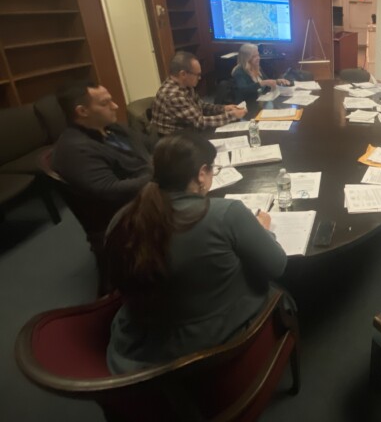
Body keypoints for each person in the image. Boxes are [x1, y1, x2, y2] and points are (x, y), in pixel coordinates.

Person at [105, 132, 288, 373]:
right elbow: (277, 266)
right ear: (202, 173)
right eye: (213, 169)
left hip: (136, 349)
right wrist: (263, 230)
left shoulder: (121, 219)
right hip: (207, 348)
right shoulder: (226, 213)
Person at [53, 81, 153, 210]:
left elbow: (148, 143)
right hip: (133, 209)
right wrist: (159, 176)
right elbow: (111, 190)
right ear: (82, 111)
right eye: (105, 103)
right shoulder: (76, 150)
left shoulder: (111, 127)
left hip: (150, 185)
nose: (115, 106)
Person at [151, 51, 247, 135]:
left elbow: (202, 106)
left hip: (187, 133)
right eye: (197, 74)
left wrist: (224, 108)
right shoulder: (174, 95)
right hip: (174, 142)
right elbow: (200, 122)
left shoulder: (185, 86)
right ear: (183, 74)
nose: (200, 78)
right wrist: (232, 115)